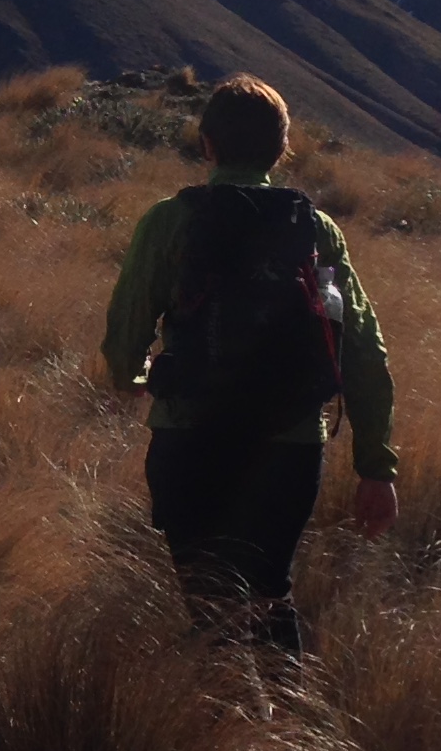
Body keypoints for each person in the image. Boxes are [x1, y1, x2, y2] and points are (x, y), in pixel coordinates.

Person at [97, 74, 397, 648]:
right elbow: (362, 347)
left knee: (210, 603)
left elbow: (125, 328)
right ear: (283, 149)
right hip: (289, 448)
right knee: (267, 594)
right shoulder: (315, 229)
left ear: (207, 143)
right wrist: (376, 466)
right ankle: (284, 722)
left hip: (189, 437)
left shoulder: (169, 221)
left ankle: (226, 723)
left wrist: (131, 375)